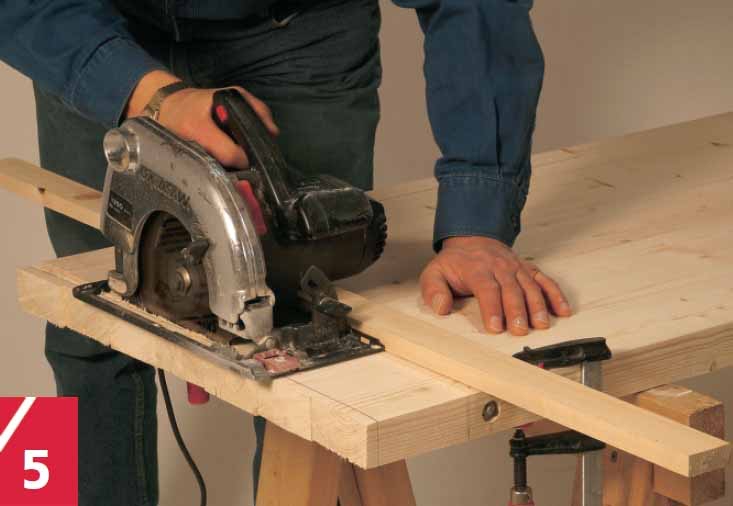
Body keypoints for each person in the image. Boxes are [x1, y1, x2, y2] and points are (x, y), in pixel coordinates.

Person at [0, 0, 572, 504]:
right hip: (94, 22)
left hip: (297, 30)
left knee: (311, 339)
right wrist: (145, 93)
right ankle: (38, 491)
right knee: (83, 322)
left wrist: (477, 220)